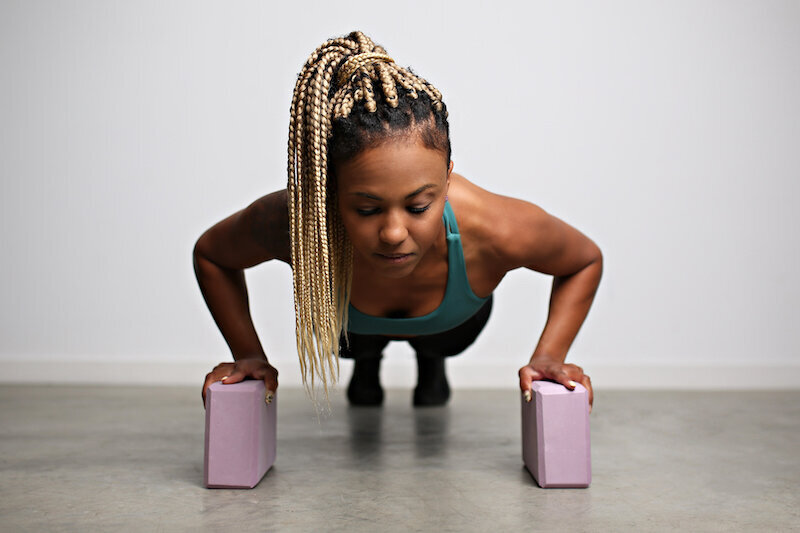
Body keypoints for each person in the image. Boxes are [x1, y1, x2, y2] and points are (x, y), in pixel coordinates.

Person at [195, 31, 602, 410]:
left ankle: (431, 360)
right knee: (358, 347)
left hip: (451, 327)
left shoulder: (496, 226)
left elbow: (584, 260)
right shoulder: (297, 219)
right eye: (367, 209)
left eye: (419, 206)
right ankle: (367, 363)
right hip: (349, 333)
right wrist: (247, 354)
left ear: (447, 180)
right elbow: (212, 255)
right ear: (330, 191)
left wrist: (550, 355)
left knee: (438, 345)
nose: (392, 234)